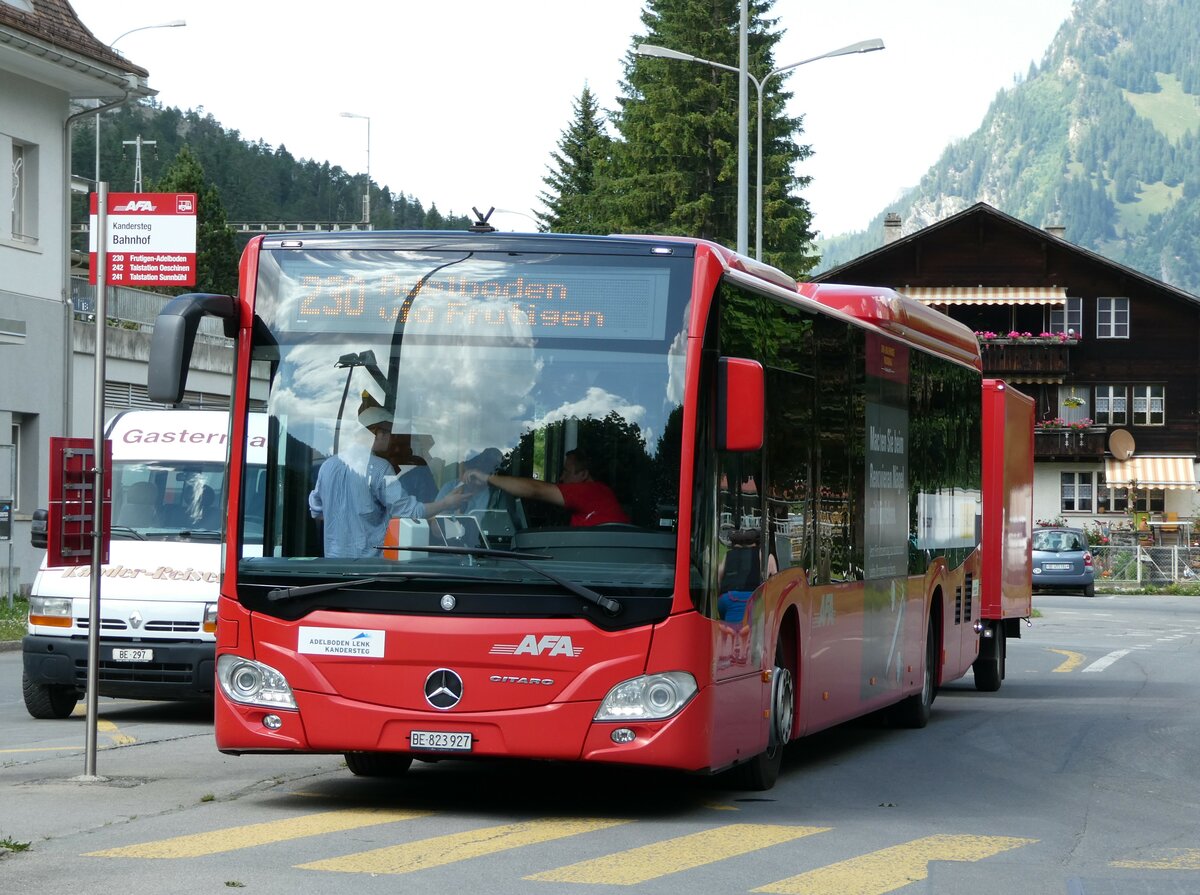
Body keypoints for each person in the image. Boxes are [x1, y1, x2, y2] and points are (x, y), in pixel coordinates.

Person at [308, 391, 465, 558]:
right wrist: (446, 502)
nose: (391, 439)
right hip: (370, 570)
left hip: (334, 569)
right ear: (378, 433)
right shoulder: (380, 468)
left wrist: (346, 523)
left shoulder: (327, 466)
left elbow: (316, 511)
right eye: (389, 433)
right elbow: (410, 511)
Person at [463, 448, 628, 527]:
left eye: (566, 471)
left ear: (583, 474)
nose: (561, 478)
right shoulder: (599, 495)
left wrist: (488, 478)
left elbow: (536, 490)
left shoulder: (592, 492)